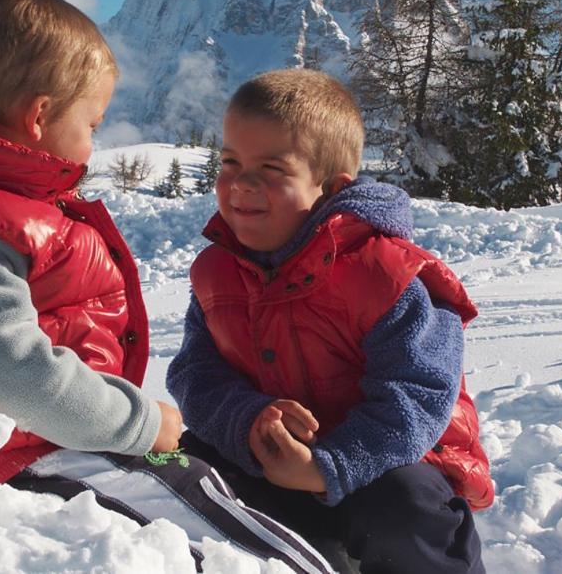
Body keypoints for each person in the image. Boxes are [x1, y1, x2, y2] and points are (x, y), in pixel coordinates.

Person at [0, 0, 333, 573]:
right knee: (238, 549)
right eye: (92, 123)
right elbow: (17, 378)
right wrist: (138, 421)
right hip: (10, 453)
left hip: (47, 436)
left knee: (215, 489)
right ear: (38, 118)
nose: (94, 141)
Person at [167, 69, 493, 573]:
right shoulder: (217, 272)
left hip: (382, 463)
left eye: (272, 169)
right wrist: (249, 421)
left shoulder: (387, 275)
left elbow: (419, 395)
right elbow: (196, 373)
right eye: (230, 161)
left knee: (408, 510)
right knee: (183, 474)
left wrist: (327, 468)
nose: (242, 184)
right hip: (274, 458)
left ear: (330, 190)